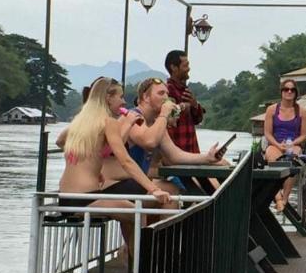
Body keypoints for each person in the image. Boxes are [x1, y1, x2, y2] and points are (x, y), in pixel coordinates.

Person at [57, 76, 172, 251]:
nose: (124, 102)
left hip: (65, 198)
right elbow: (125, 161)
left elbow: (60, 141)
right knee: (138, 214)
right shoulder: (108, 122)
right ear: (108, 98)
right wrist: (154, 189)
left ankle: (134, 258)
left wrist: (89, 163)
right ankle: (139, 263)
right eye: (120, 96)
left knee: (131, 211)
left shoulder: (79, 121)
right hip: (87, 198)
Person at [123, 77, 227, 199]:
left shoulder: (157, 123)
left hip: (139, 184)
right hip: (121, 184)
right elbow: (149, 142)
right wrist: (164, 114)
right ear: (145, 97)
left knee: (172, 190)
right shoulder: (132, 116)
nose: (166, 98)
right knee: (171, 189)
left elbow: (175, 155)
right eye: (161, 93)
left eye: (167, 94)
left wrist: (207, 158)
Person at [264, 78, 306, 211]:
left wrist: (292, 143)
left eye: (292, 90)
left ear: (296, 92)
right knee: (272, 158)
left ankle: (285, 198)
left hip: (293, 144)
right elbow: (267, 133)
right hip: (276, 143)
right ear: (281, 92)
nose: (289, 92)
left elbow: (304, 135)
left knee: (292, 160)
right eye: (286, 89)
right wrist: (278, 145)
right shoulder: (272, 110)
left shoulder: (302, 112)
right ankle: (277, 197)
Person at [164, 50, 205, 154]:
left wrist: (195, 105)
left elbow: (198, 119)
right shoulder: (166, 91)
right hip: (176, 154)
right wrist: (182, 107)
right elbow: (168, 118)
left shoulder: (186, 91)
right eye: (185, 65)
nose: (188, 68)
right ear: (174, 67)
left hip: (192, 152)